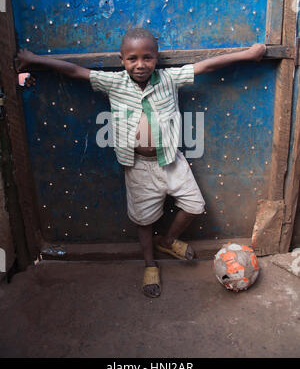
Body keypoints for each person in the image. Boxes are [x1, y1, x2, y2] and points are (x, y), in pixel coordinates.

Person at [17, 28, 266, 298]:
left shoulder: (169, 79)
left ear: (156, 58)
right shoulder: (114, 83)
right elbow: (75, 71)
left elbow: (207, 65)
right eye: (132, 59)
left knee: (195, 205)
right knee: (143, 220)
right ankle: (150, 264)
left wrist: (249, 54)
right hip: (137, 166)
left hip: (171, 160)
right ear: (121, 59)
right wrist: (33, 60)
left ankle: (168, 241)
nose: (140, 65)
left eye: (147, 57)